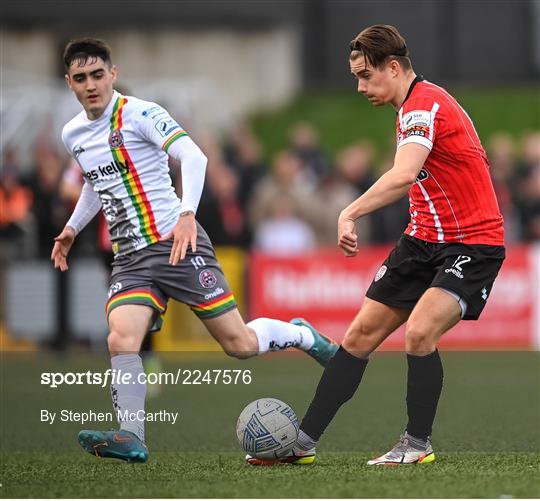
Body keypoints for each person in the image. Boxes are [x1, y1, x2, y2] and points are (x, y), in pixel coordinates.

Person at [52, 38, 338, 463]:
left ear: (112, 74)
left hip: (177, 244)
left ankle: (300, 333)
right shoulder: (72, 133)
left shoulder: (142, 113)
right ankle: (132, 436)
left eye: (98, 74)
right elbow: (96, 183)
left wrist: (187, 213)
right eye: (81, 78)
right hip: (131, 258)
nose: (91, 84)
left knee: (238, 344)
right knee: (120, 338)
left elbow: (195, 157)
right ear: (69, 83)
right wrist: (73, 228)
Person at [247, 24, 505, 466]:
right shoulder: (410, 107)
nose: (361, 86)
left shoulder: (423, 106)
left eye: (366, 76)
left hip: (472, 243)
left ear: (393, 66)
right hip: (423, 239)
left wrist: (349, 212)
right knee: (358, 336)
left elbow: (404, 175)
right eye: (355, 78)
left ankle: (417, 444)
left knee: (420, 331)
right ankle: (300, 444)